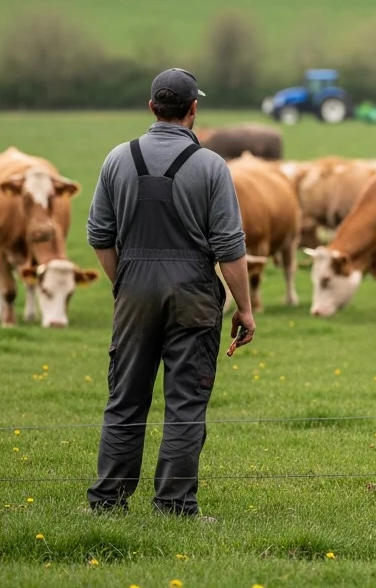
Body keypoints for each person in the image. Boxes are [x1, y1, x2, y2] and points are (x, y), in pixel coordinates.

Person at [86, 68, 255, 517]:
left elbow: (99, 236)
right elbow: (230, 249)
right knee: (185, 402)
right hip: (194, 294)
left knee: (125, 399)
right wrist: (245, 308)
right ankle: (175, 506)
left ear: (151, 109)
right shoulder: (212, 166)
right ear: (193, 109)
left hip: (133, 290)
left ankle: (106, 502)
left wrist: (124, 283)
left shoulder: (117, 159)